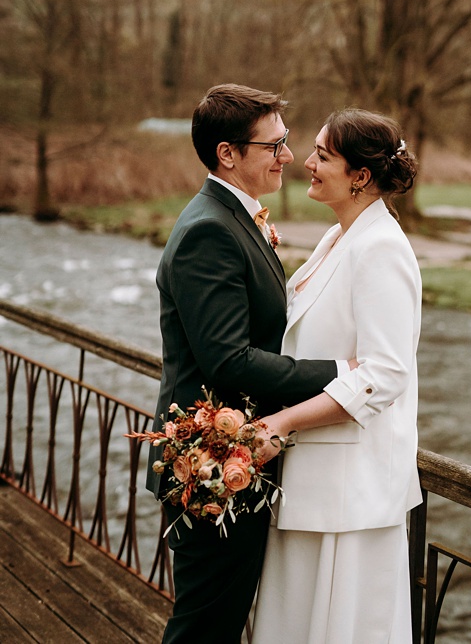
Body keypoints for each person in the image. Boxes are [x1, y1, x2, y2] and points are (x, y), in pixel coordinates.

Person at [149, 84, 348, 644]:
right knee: (204, 628)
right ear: (227, 154)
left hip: (238, 458)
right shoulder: (209, 230)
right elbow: (229, 360)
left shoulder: (235, 216)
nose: (289, 155)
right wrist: (341, 373)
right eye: (275, 145)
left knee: (219, 620)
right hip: (210, 464)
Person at [251, 108, 423, 644]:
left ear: (360, 176)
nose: (306, 162)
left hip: (352, 496)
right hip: (312, 483)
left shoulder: (382, 249)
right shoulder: (336, 237)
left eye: (323, 155)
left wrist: (281, 423)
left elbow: (385, 375)